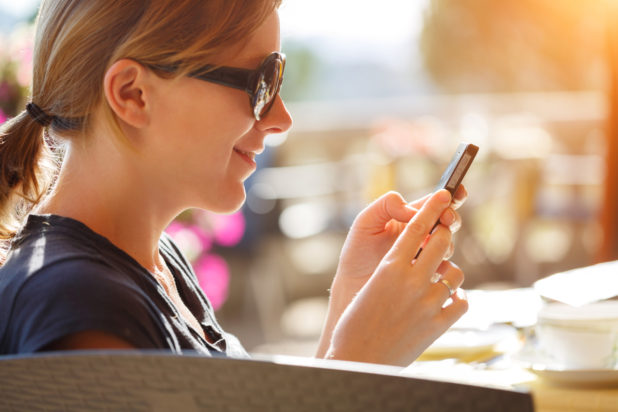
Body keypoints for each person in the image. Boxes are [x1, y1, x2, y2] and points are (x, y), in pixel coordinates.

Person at [0, 0, 468, 366]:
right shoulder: (76, 305)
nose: (282, 119)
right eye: (262, 84)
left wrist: (350, 309)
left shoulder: (153, 264)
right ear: (132, 94)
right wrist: (362, 357)